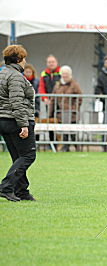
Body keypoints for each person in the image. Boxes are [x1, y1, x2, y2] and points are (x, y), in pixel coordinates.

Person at [0, 45, 36, 202]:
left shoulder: (2, 73)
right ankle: (6, 187)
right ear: (18, 59)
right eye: (24, 58)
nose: (25, 61)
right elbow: (17, 102)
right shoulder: (15, 76)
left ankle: (21, 191)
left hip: (4, 120)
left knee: (18, 157)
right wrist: (24, 124)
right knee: (28, 155)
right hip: (15, 120)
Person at [49, 65, 82, 152]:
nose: (65, 76)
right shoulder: (57, 85)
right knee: (64, 131)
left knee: (73, 131)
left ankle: (77, 147)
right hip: (61, 113)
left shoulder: (74, 84)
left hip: (72, 113)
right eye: (63, 74)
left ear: (70, 74)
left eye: (66, 74)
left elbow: (80, 97)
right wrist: (50, 112)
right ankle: (65, 147)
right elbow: (53, 99)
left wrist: (75, 108)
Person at [38, 55, 60, 145]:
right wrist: (45, 98)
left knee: (59, 121)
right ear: (47, 63)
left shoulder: (61, 72)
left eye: (53, 62)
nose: (51, 64)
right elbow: (41, 87)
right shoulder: (44, 74)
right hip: (49, 103)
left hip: (59, 103)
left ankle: (62, 143)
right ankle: (52, 143)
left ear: (56, 62)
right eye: (49, 62)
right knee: (50, 121)